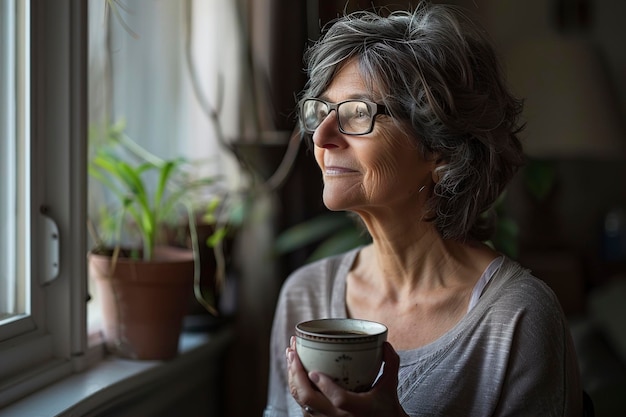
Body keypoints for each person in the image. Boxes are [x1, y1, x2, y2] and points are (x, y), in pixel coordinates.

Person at [264, 2, 583, 416]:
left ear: (441, 150)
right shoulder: (305, 297)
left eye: (357, 114)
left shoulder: (518, 319)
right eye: (321, 112)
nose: (322, 137)